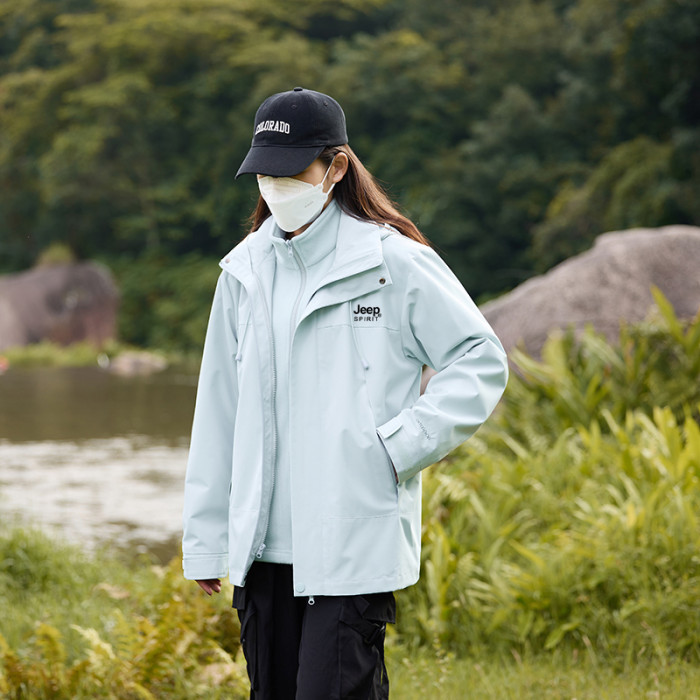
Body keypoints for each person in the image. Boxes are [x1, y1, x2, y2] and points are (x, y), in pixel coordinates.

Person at [182, 86, 508, 699]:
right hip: (262, 552)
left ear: (335, 167)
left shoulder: (393, 262)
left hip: (349, 539)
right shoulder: (243, 273)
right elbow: (218, 411)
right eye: (265, 174)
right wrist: (204, 541)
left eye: (291, 172)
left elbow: (479, 358)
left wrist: (395, 448)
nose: (276, 186)